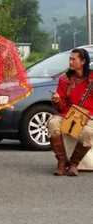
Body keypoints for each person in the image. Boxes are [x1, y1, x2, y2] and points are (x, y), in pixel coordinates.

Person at [48, 48, 93, 176]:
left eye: (74, 59)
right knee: (52, 123)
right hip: (68, 115)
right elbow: (61, 108)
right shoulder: (64, 79)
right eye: (70, 59)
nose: (70, 62)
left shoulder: (92, 77)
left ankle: (73, 164)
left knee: (88, 132)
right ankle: (62, 162)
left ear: (83, 61)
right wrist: (56, 100)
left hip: (89, 116)